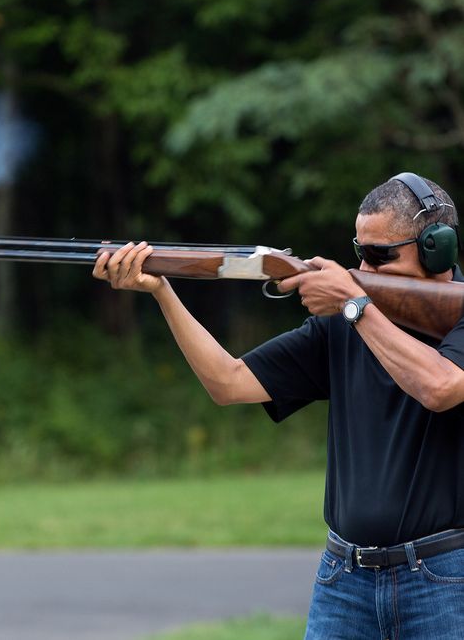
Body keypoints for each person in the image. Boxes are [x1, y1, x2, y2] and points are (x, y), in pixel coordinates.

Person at [92, 172, 464, 639]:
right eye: (359, 253)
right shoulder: (345, 319)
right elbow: (228, 383)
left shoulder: (380, 311)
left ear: (438, 248)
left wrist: (354, 305)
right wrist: (161, 291)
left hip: (444, 580)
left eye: (380, 255)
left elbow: (442, 386)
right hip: (344, 579)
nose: (364, 270)